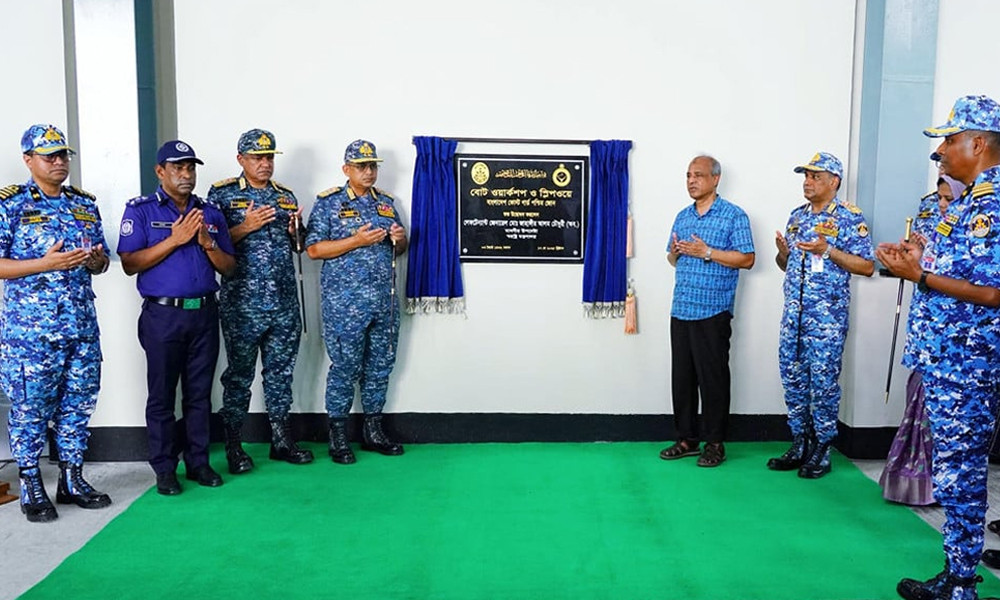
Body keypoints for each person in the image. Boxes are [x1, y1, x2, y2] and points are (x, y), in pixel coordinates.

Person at [881, 95, 1000, 600]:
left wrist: (921, 275)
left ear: (978, 142)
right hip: (947, 359)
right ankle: (957, 574)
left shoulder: (992, 205)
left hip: (968, 365)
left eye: (950, 140)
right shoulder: (969, 200)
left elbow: (994, 291)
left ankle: (961, 583)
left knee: (962, 474)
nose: (943, 151)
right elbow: (961, 271)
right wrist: (918, 254)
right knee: (955, 473)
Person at [0, 124, 111, 522]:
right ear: (29, 160)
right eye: (50, 156)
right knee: (31, 407)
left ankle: (71, 477)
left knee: (78, 403)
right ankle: (31, 481)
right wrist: (43, 264)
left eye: (63, 155)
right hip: (31, 334)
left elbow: (101, 261)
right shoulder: (8, 205)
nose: (59, 162)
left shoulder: (83, 205)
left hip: (80, 326)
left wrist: (96, 260)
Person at [117, 140, 236, 495]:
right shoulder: (139, 210)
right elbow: (129, 264)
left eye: (190, 168)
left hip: (203, 314)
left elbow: (230, 267)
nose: (186, 175)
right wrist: (175, 239)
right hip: (163, 316)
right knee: (162, 395)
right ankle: (165, 468)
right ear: (160, 172)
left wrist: (208, 244)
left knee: (200, 395)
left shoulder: (210, 213)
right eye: (178, 168)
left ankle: (198, 462)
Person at [207, 129, 313, 474]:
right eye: (257, 158)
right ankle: (234, 444)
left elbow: (300, 246)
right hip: (242, 302)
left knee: (281, 373)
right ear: (241, 160)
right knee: (239, 375)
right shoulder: (222, 195)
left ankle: (281, 439)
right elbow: (210, 244)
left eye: (269, 157)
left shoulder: (285, 197)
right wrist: (245, 226)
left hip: (283, 302)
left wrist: (297, 231)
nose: (265, 164)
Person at [768, 152, 874, 479]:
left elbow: (867, 266)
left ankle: (823, 448)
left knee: (824, 384)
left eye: (815, 176)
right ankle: (800, 441)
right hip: (794, 319)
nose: (807, 182)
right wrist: (784, 254)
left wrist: (827, 250)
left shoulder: (848, 218)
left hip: (826, 321)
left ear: (834, 182)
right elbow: (785, 266)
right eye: (806, 176)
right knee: (794, 380)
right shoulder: (797, 216)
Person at [305, 139, 408, 464]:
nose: (368, 171)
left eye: (373, 166)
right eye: (362, 166)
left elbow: (399, 250)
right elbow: (314, 250)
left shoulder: (386, 205)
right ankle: (338, 435)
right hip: (345, 305)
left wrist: (400, 240)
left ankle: (373, 431)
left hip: (383, 303)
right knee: (345, 369)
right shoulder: (329, 204)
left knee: (379, 368)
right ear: (346, 169)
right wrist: (356, 240)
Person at [658, 155, 755, 468]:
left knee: (712, 379)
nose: (691, 181)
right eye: (688, 175)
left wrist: (708, 252)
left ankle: (714, 443)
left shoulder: (733, 216)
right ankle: (686, 439)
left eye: (698, 175)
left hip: (712, 311)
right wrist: (676, 252)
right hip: (682, 308)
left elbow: (747, 258)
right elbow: (674, 260)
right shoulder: (683, 217)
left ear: (716, 179)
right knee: (682, 378)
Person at [879, 173, 962, 506]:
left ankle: (942, 487)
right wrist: (910, 256)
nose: (941, 205)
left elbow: (959, 280)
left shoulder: (972, 232)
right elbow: (926, 272)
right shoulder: (939, 228)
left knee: (946, 418)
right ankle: (915, 483)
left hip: (954, 341)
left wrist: (919, 265)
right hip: (926, 332)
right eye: (940, 198)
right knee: (918, 398)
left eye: (949, 199)